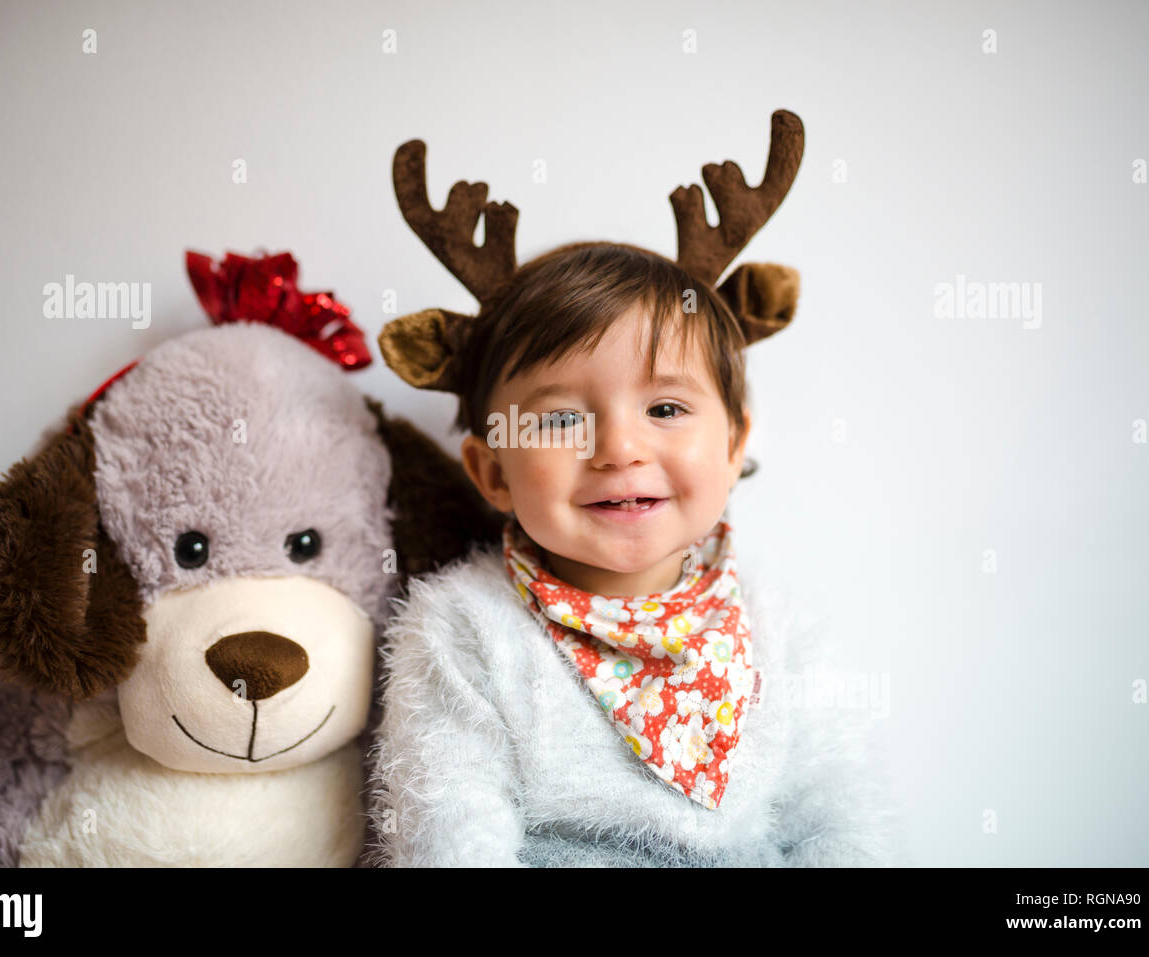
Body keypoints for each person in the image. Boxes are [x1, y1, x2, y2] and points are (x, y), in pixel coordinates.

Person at [364, 119, 909, 866]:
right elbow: (449, 837)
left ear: (732, 445)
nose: (619, 449)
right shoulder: (461, 630)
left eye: (665, 409)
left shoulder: (782, 630)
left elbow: (848, 822)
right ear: (491, 471)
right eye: (560, 417)